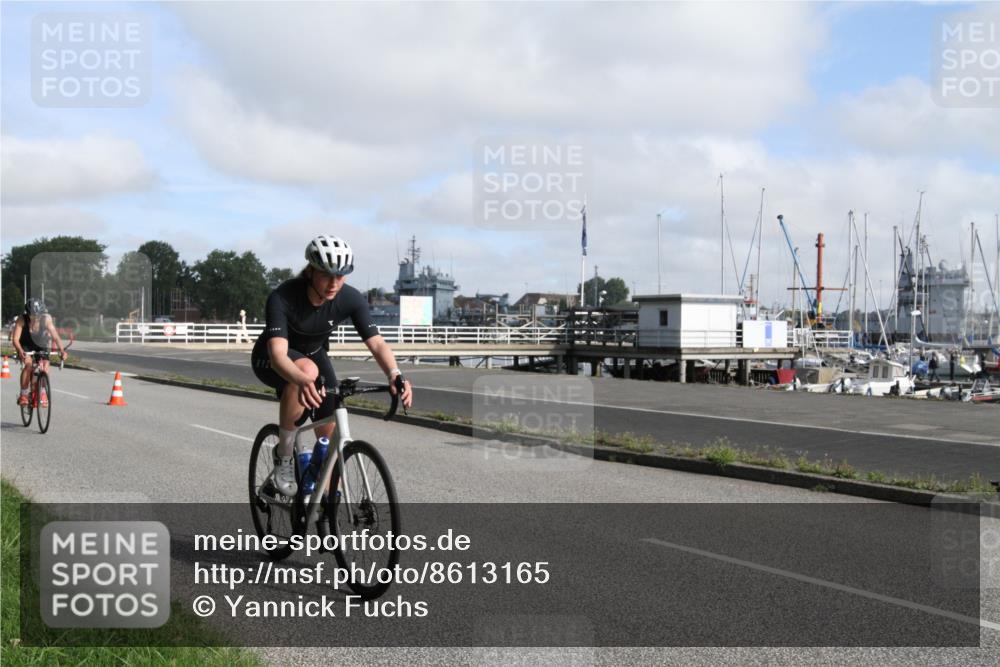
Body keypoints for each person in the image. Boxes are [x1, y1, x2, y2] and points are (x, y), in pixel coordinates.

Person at [251, 235, 413, 496]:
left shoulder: (349, 298)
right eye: (327, 275)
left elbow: (377, 344)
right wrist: (303, 380)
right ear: (312, 270)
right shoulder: (283, 297)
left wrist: (395, 374)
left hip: (314, 354)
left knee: (330, 435)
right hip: (271, 359)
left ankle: (322, 504)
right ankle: (284, 456)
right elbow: (279, 355)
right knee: (307, 371)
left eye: (341, 276)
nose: (334, 283)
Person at [12, 298, 66, 407]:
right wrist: (20, 351)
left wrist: (62, 350)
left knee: (45, 366)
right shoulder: (21, 319)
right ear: (27, 313)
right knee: (28, 365)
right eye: (32, 315)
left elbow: (55, 336)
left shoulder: (46, 319)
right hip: (25, 345)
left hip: (41, 344)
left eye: (38, 315)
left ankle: (42, 393)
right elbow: (15, 339)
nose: (35, 318)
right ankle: (23, 394)